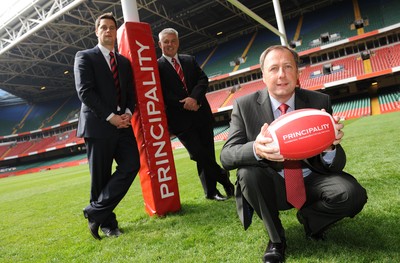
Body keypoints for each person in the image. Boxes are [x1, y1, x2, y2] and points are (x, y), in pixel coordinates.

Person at [220, 45, 367, 262]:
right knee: (247, 173)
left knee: (352, 194)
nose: (281, 74)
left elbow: (336, 164)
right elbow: (226, 156)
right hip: (272, 183)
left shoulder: (319, 102)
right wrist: (256, 149)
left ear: (298, 73)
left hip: (312, 178)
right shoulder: (244, 105)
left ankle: (311, 220)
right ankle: (277, 239)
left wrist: (329, 146)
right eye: (274, 68)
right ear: (263, 75)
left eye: (288, 67)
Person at [74, 12, 140, 240]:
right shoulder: (84, 57)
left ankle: (94, 212)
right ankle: (108, 224)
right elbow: (85, 92)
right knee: (100, 178)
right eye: (103, 27)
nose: (108, 31)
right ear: (96, 31)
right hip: (98, 125)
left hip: (123, 125)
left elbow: (130, 92)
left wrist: (128, 113)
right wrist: (110, 116)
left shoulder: (123, 62)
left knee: (132, 164)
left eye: (112, 27)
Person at [157, 28, 234, 201]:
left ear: (178, 42)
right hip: (180, 119)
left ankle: (211, 191)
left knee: (207, 153)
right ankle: (224, 178)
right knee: (198, 153)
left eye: (173, 41)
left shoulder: (189, 60)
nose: (170, 44)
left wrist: (194, 98)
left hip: (201, 113)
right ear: (159, 44)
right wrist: (185, 102)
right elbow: (162, 93)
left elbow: (203, 80)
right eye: (166, 41)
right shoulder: (156, 67)